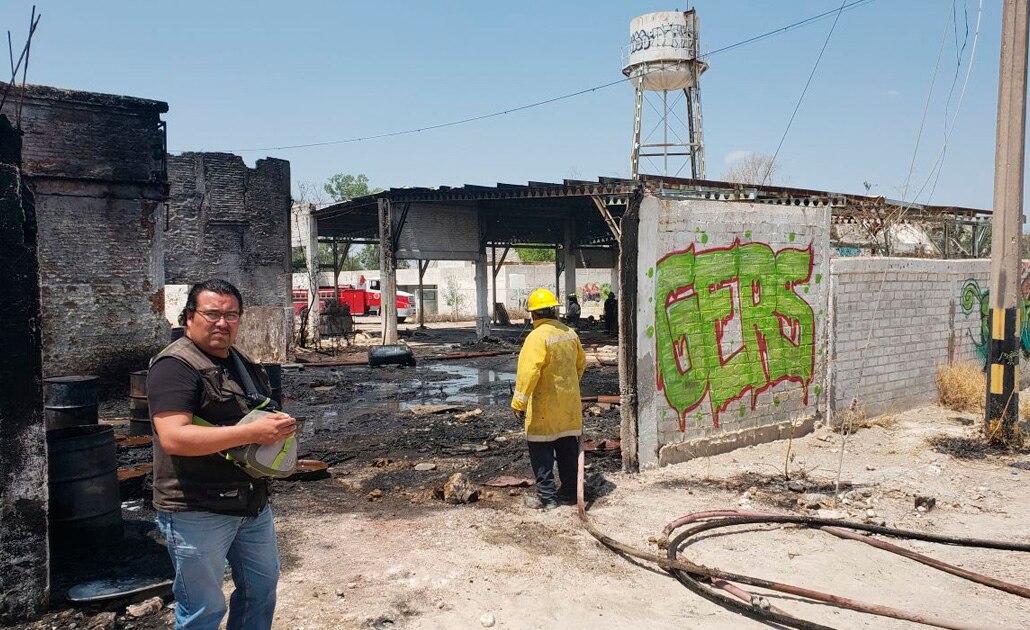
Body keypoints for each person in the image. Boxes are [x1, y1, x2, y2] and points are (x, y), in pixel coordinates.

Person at [147, 278, 297, 630]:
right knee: (203, 609)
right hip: (197, 509)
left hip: (251, 504)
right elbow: (174, 437)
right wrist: (252, 432)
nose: (222, 322)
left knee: (261, 592)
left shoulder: (238, 361)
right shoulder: (175, 366)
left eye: (231, 315)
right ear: (189, 317)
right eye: (212, 313)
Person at [510, 288, 587, 510]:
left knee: (541, 452)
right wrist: (569, 386)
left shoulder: (536, 338)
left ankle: (548, 498)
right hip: (569, 408)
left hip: (544, 409)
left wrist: (519, 403)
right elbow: (581, 364)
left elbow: (528, 372)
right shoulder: (569, 334)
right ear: (554, 310)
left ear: (533, 315)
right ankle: (571, 493)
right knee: (567, 451)